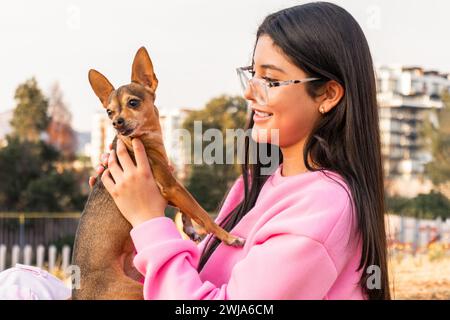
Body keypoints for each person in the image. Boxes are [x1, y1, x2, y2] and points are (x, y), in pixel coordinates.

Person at [92, 2, 390, 299]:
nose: (249, 92)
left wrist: (148, 222)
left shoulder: (321, 209)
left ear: (327, 94)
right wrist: (130, 209)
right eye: (252, 74)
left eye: (271, 80)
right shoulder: (257, 185)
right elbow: (200, 279)